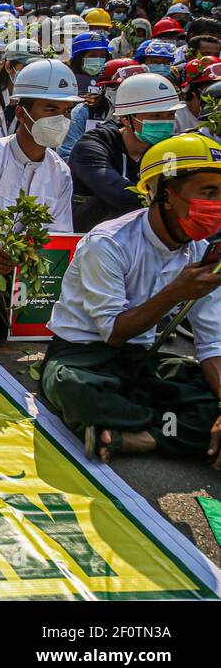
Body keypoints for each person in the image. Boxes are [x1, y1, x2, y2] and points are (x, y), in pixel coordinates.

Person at [43, 133, 221, 465]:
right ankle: (172, 430)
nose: (216, 205)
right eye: (208, 192)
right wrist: (176, 292)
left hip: (139, 360)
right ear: (165, 193)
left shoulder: (200, 251)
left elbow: (212, 343)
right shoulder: (109, 243)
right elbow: (113, 332)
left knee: (210, 396)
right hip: (85, 356)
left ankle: (138, 436)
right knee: (74, 389)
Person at [0, 59, 80, 345]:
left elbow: (58, 238)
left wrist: (36, 259)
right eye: (50, 109)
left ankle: (0, 314)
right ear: (22, 113)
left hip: (26, 272)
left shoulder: (60, 173)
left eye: (66, 112)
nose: (60, 119)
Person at [69, 72, 182, 232]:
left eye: (170, 115)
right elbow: (120, 195)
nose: (164, 122)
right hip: (96, 239)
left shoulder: (171, 149)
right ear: (125, 118)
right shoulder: (91, 147)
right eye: (155, 115)